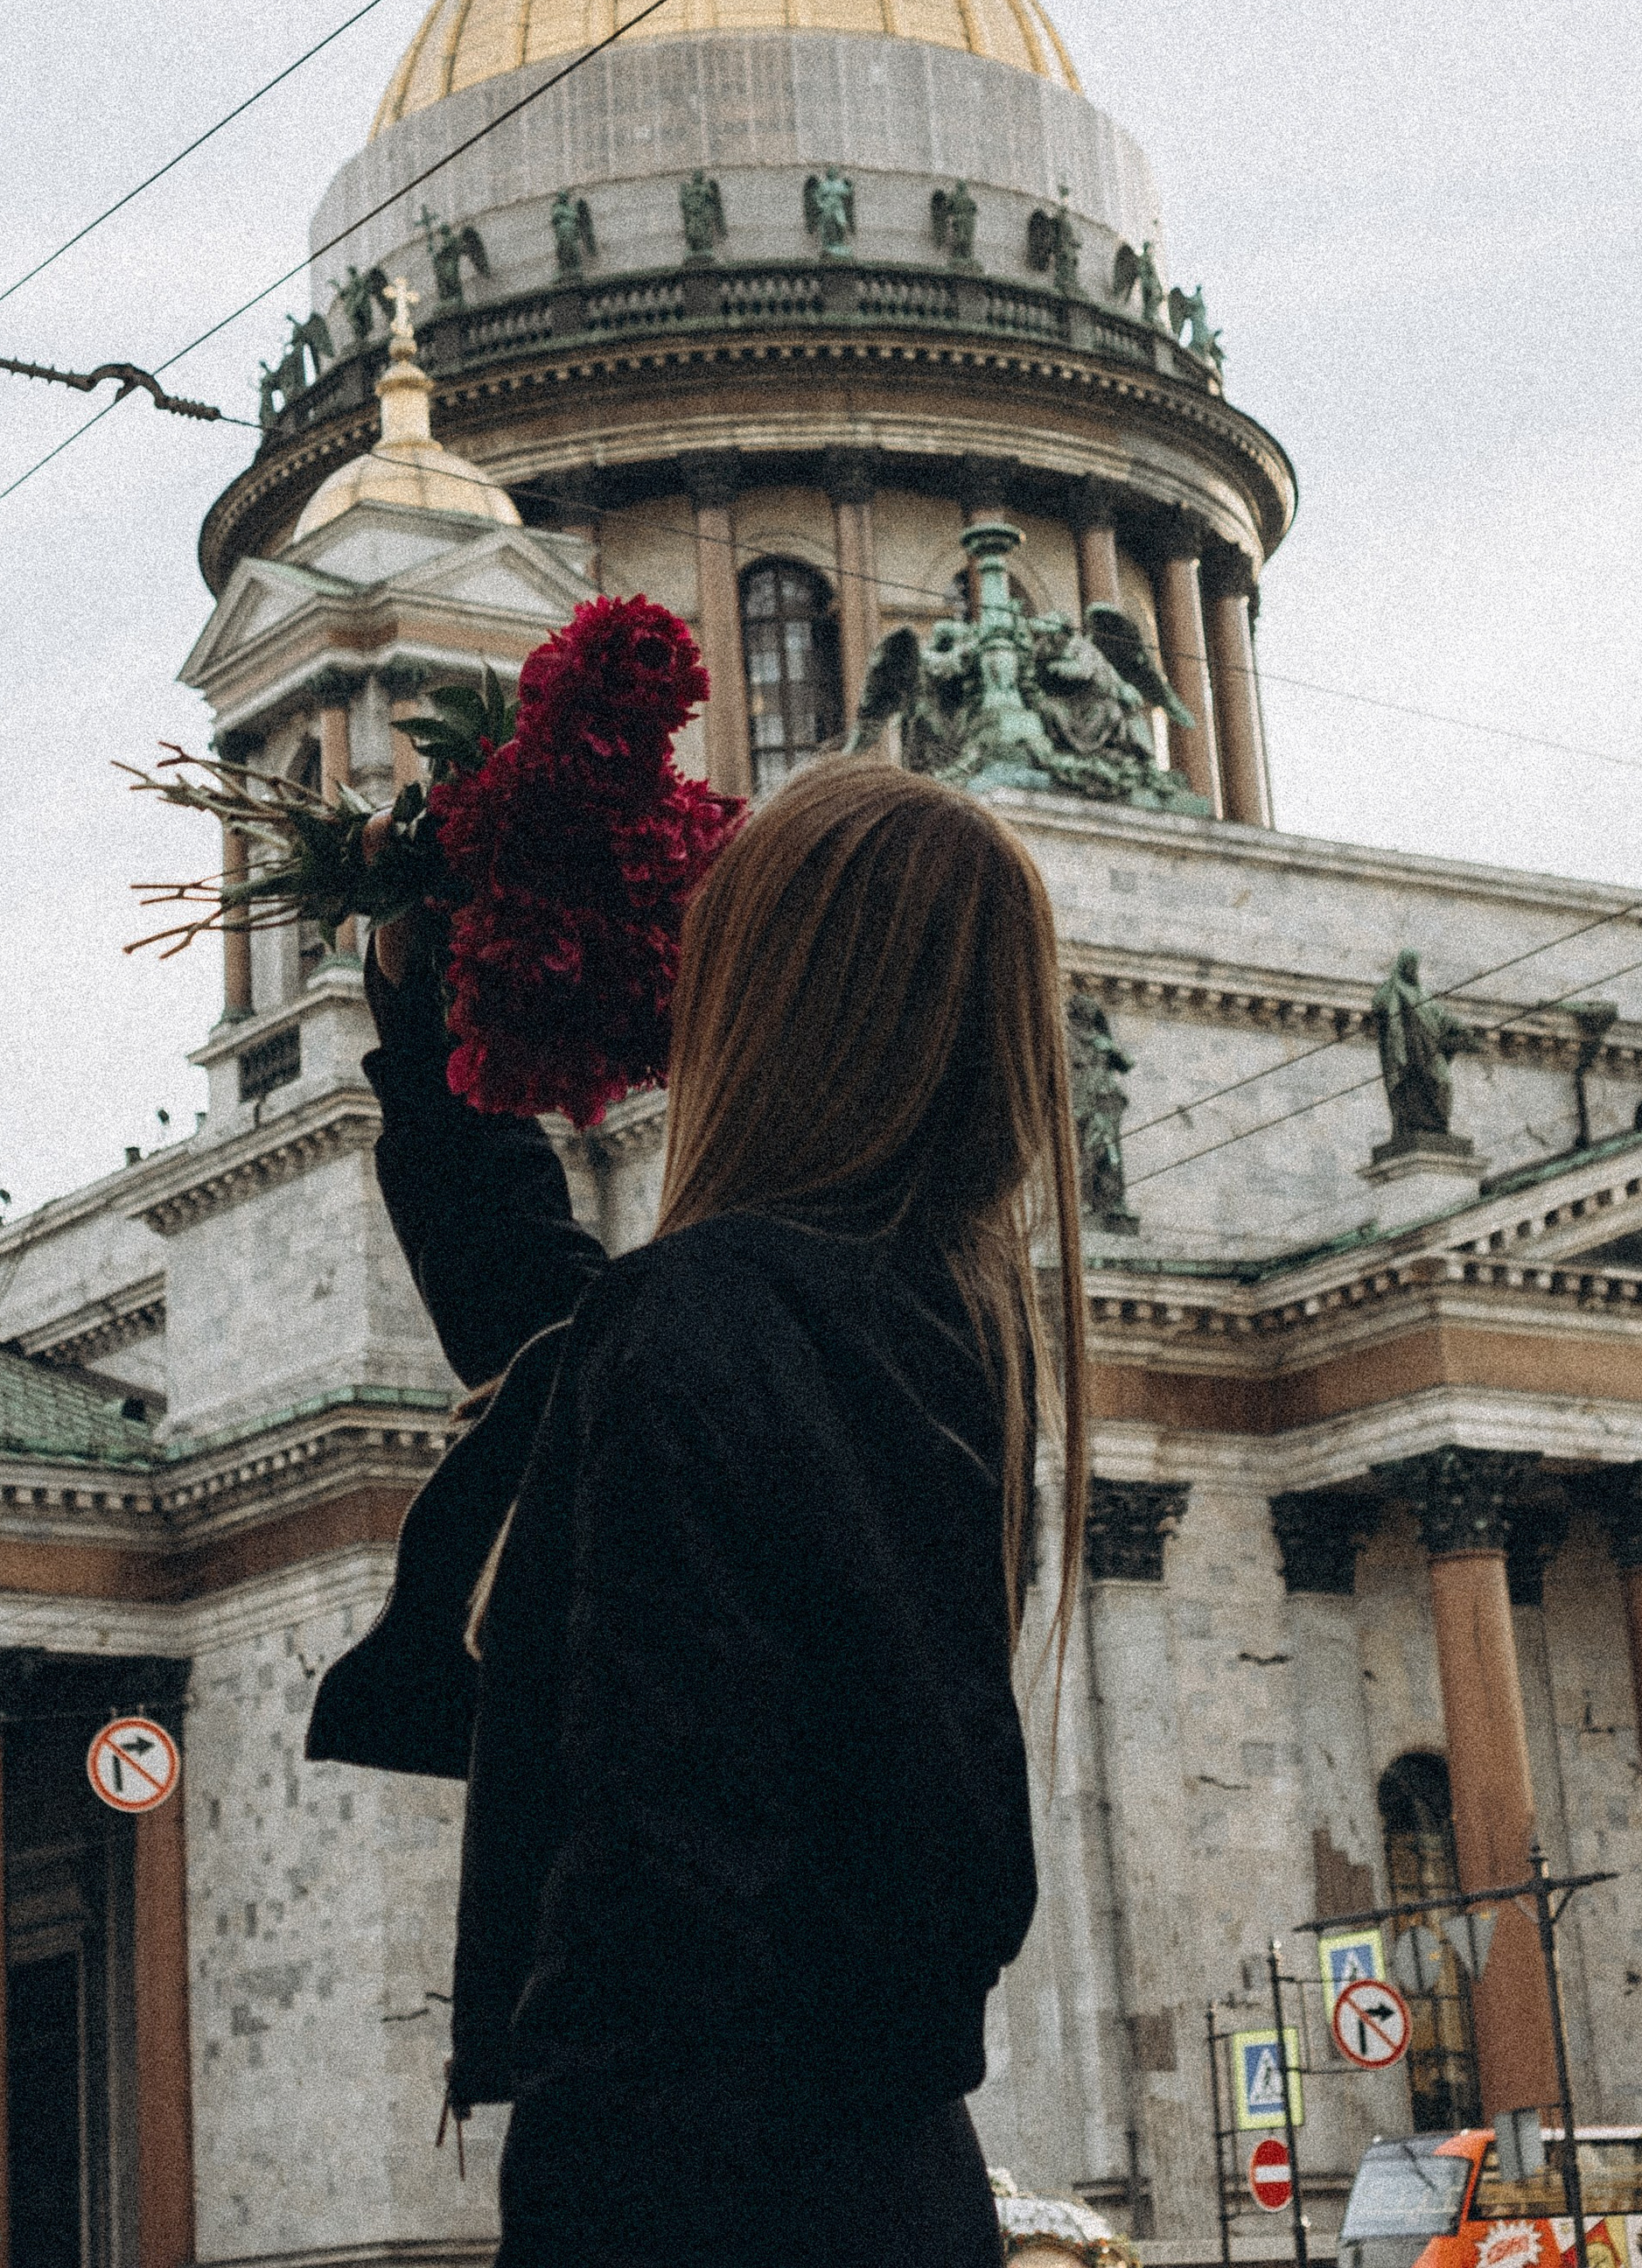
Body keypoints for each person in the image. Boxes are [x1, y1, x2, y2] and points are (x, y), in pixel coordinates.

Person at [307, 756, 1087, 2266]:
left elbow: (662, 1906)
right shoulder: (938, 1326)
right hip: (891, 2172)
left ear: (772, 1000)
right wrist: (424, 1032)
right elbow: (559, 1334)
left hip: (708, 2185)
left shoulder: (710, 1322)